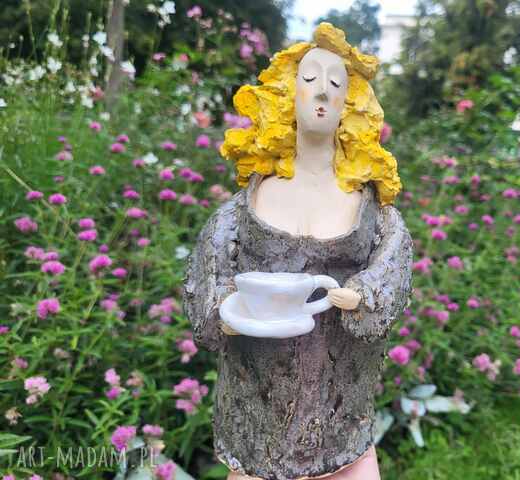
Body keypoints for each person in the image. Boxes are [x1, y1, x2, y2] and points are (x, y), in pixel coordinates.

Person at [184, 23, 413, 480]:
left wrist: (363, 293)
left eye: (336, 83)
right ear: (289, 94)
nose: (322, 91)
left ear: (350, 103)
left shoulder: (372, 209)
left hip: (339, 423)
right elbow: (209, 273)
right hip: (258, 419)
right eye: (310, 79)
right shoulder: (245, 206)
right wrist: (225, 312)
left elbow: (394, 260)